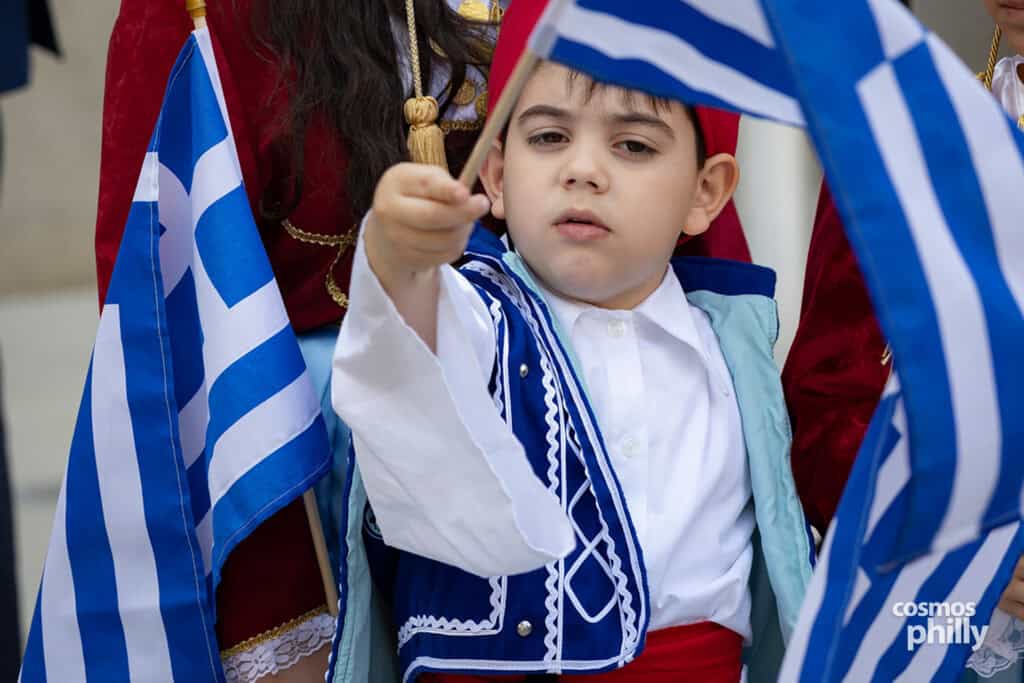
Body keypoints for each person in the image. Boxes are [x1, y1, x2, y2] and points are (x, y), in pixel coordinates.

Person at [330, 2, 812, 680]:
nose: (583, 169)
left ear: (707, 192)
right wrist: (396, 256)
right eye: (550, 137)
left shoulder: (734, 352)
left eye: (633, 145)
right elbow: (405, 358)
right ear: (495, 175)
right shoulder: (478, 314)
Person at [94, 1, 497, 679]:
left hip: (523, 432)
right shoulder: (194, 16)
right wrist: (277, 622)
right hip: (310, 471)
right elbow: (179, 334)